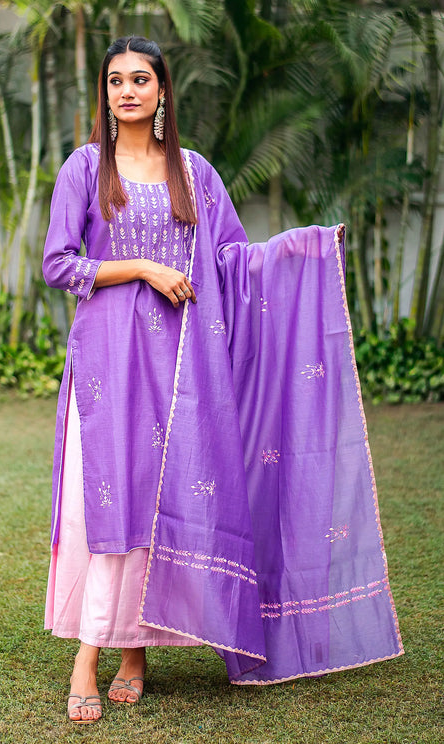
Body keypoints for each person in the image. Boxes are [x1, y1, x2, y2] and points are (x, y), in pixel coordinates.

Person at [43, 36, 403, 725]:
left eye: (139, 79)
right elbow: (60, 264)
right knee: (110, 502)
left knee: (158, 501)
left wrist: (292, 256)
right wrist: (144, 268)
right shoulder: (85, 168)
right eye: (115, 80)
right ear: (105, 92)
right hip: (110, 363)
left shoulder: (194, 173)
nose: (126, 90)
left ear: (161, 92)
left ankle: (134, 652)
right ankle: (85, 659)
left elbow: (232, 260)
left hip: (183, 367)